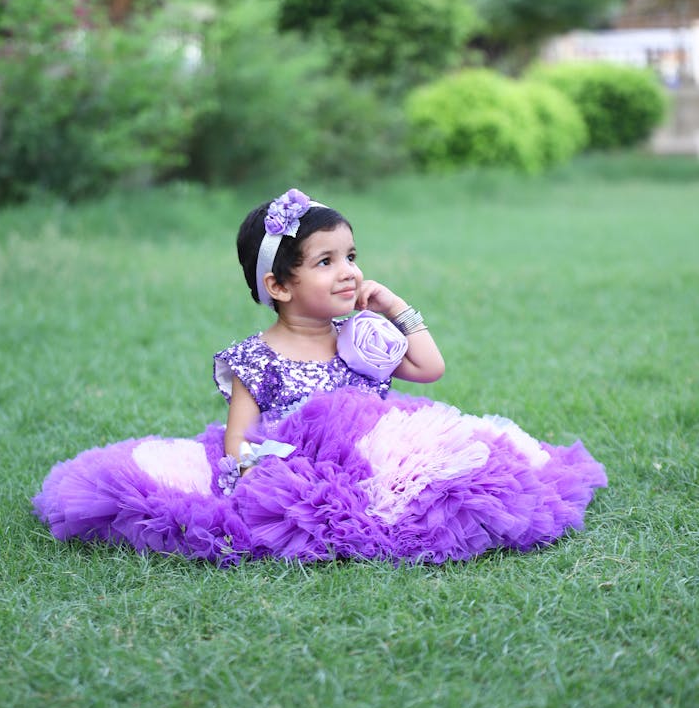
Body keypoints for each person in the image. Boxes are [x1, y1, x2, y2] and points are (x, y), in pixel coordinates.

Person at [33, 188, 607, 564]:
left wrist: (395, 308)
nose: (348, 273)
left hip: (376, 460)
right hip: (300, 464)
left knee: (461, 471)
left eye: (352, 257)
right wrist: (270, 466)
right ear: (279, 286)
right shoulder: (255, 358)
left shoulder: (361, 338)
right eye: (326, 262)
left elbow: (430, 370)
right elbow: (238, 441)